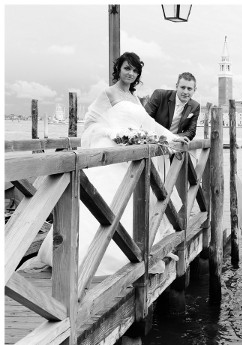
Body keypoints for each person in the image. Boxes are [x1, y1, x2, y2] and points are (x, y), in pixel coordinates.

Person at [26, 52, 184, 276]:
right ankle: (88, 258)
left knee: (130, 203)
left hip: (131, 160)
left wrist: (173, 139)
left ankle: (132, 251)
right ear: (118, 69)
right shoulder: (108, 93)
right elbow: (91, 125)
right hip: (114, 157)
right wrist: (116, 135)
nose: (130, 73)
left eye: (135, 70)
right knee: (106, 203)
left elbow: (149, 124)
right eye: (127, 68)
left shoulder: (135, 98)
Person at [144, 72, 200, 141]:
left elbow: (191, 132)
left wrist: (174, 137)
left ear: (194, 90)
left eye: (189, 89)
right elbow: (145, 120)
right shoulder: (159, 95)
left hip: (175, 144)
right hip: (153, 141)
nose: (185, 92)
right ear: (176, 86)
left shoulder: (195, 106)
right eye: (182, 87)